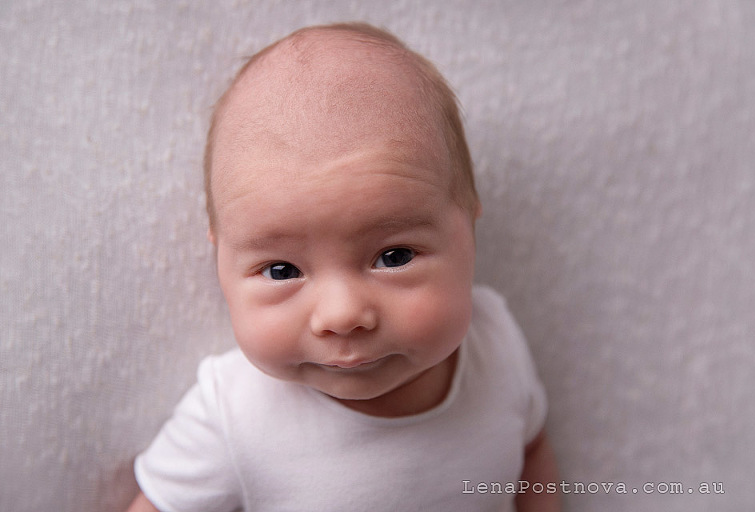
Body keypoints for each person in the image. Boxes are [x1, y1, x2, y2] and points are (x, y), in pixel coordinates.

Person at [127, 22, 560, 512]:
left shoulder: (497, 345)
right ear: (219, 259)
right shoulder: (232, 416)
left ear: (469, 225)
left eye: (394, 257)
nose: (341, 315)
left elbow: (531, 454)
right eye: (281, 270)